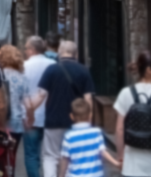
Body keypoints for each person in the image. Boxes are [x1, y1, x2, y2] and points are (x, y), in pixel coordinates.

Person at [29, 41, 95, 177]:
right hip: (77, 121)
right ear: (76, 54)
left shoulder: (51, 69)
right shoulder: (84, 71)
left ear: (59, 53)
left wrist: (30, 111)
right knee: (73, 156)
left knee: (50, 157)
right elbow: (88, 99)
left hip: (53, 120)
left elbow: (41, 95)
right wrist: (89, 121)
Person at [58, 98, 120, 177]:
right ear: (90, 115)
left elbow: (65, 159)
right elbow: (102, 152)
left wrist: (61, 175)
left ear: (71, 116)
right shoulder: (96, 132)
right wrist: (116, 163)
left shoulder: (69, 136)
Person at [23, 35, 55, 177]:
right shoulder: (53, 65)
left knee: (31, 154)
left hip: (30, 115)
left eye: (26, 48)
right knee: (51, 155)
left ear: (32, 49)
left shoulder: (24, 66)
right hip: (51, 115)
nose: (25, 51)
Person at [0, 44, 32, 150]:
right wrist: (30, 119)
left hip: (2, 121)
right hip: (17, 122)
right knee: (11, 154)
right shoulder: (22, 77)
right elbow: (28, 104)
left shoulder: (1, 74)